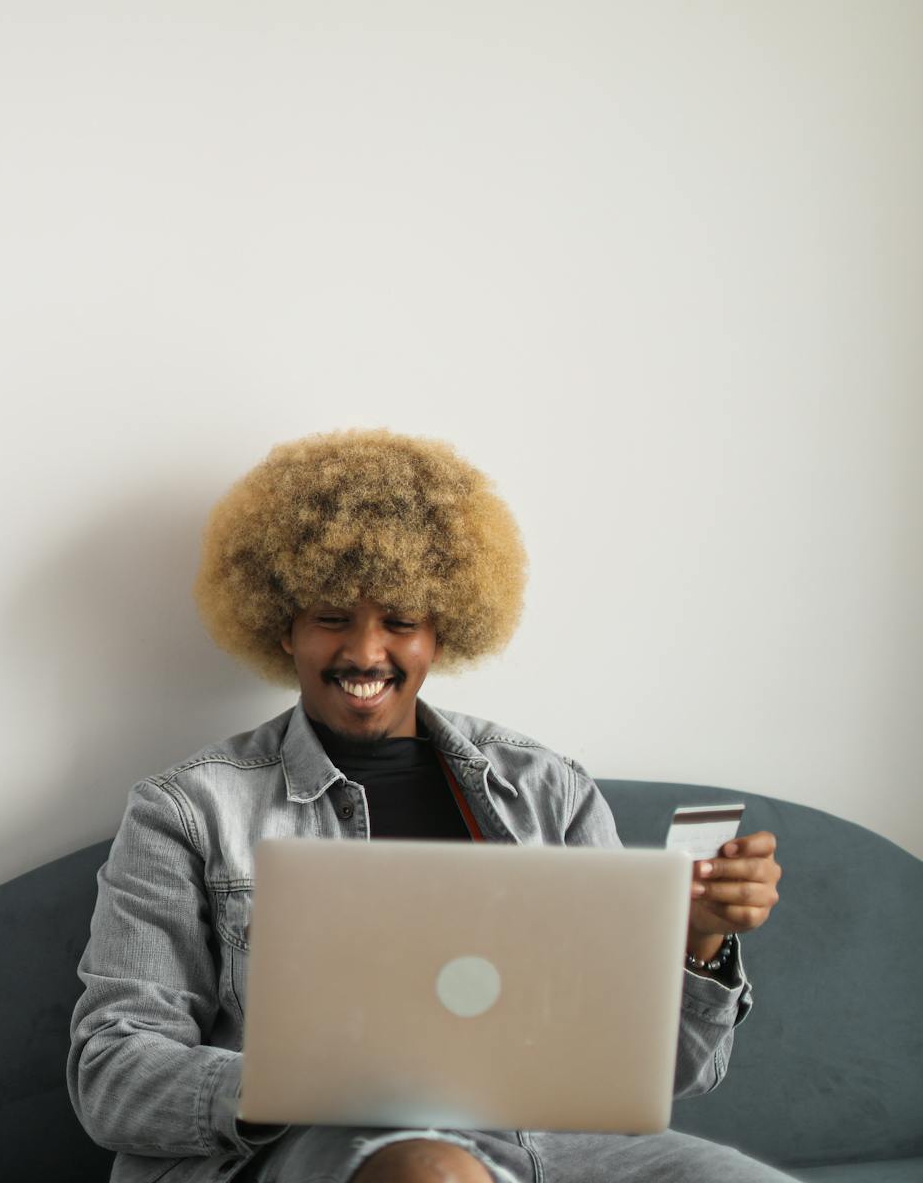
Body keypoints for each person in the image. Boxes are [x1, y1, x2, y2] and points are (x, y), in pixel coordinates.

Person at [65, 428, 787, 1183]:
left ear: (442, 632)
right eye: (332, 617)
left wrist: (698, 941)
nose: (366, 653)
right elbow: (108, 1071)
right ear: (285, 627)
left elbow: (665, 1075)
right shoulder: (187, 810)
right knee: (429, 1175)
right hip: (303, 1147)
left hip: (538, 1143)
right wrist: (290, 1084)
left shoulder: (550, 790)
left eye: (401, 621)